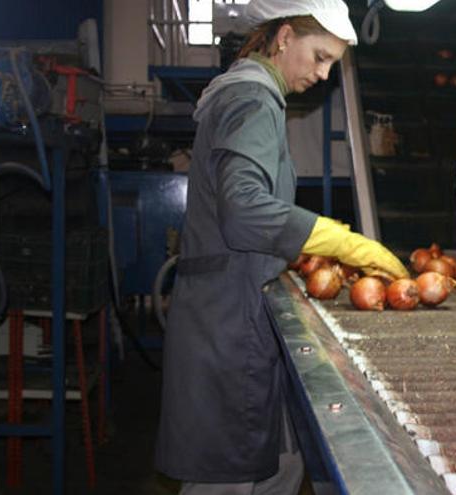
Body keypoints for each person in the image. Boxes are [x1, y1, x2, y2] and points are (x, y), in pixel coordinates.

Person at [154, 0, 409, 492]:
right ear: (285, 36)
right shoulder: (252, 99)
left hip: (233, 310)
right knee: (225, 479)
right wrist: (343, 242)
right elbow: (246, 210)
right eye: (319, 56)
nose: (324, 73)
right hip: (229, 324)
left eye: (332, 64)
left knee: (278, 465)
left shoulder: (251, 96)